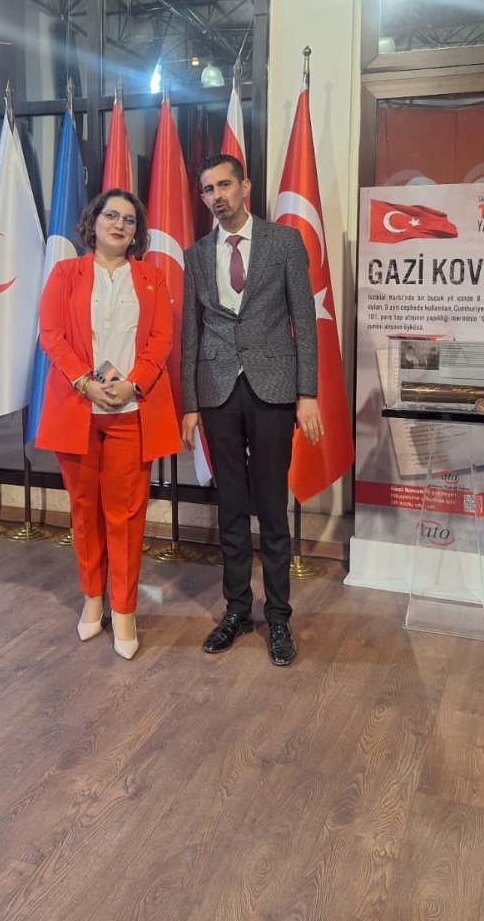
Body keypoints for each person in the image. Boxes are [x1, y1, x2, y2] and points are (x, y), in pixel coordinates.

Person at [180, 154, 322, 666]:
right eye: (207, 189)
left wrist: (307, 393)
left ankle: (278, 617)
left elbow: (304, 319)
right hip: (217, 389)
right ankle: (237, 610)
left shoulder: (284, 242)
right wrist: (189, 403)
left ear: (245, 186)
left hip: (274, 387)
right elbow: (191, 331)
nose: (216, 196)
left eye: (224, 185)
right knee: (232, 507)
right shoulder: (196, 254)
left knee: (272, 506)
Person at [36, 190, 181, 659]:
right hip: (78, 409)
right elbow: (52, 336)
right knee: (84, 509)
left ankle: (123, 609)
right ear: (93, 223)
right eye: (111, 216)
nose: (119, 225)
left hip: (130, 412)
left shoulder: (152, 278)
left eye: (129, 220)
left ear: (137, 232)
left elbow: (161, 340)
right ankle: (92, 598)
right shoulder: (66, 274)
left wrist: (133, 384)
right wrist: (84, 382)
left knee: (126, 515)